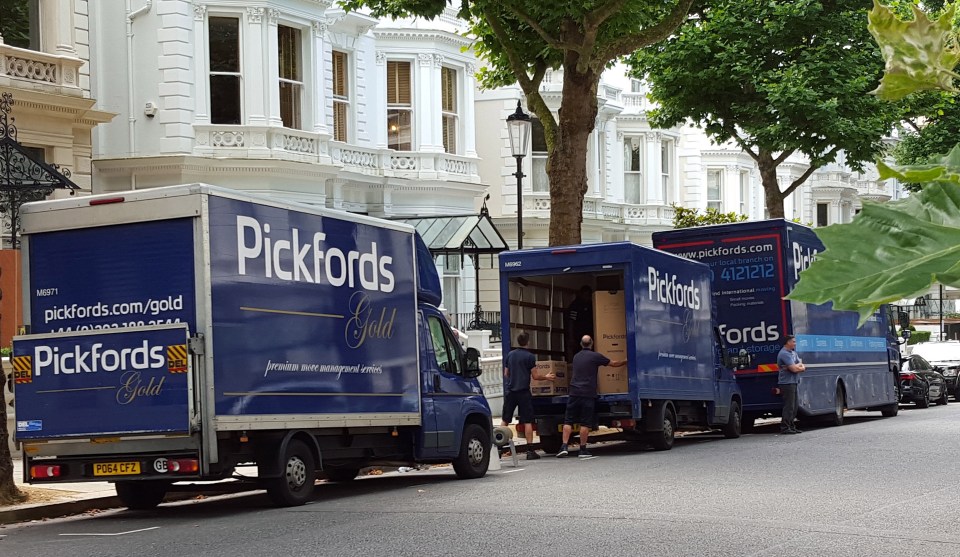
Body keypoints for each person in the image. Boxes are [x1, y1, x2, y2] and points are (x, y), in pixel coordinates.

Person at [556, 335, 626, 458]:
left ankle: (564, 446)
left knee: (568, 420)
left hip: (574, 392)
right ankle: (582, 450)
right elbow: (613, 364)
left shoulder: (576, 357)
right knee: (585, 422)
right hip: (587, 393)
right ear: (592, 344)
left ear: (581, 344)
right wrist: (626, 361)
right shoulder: (595, 356)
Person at [502, 331, 555, 460]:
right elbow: (535, 376)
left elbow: (506, 373)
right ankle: (530, 450)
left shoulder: (510, 355)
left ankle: (497, 447)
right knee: (527, 421)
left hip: (511, 391)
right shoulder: (529, 357)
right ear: (528, 342)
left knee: (505, 419)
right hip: (523, 392)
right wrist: (546, 377)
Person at [777, 334, 806, 435]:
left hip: (794, 382)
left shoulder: (793, 353)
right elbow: (794, 369)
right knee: (789, 406)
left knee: (794, 406)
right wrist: (796, 367)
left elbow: (802, 365)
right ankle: (785, 427)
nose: (795, 343)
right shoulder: (784, 354)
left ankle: (791, 426)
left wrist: (796, 366)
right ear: (788, 342)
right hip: (787, 383)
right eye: (793, 341)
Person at [565, 285, 594, 362]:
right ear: (581, 294)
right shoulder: (575, 306)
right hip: (577, 335)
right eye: (585, 295)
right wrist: (571, 337)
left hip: (589, 333)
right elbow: (571, 321)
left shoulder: (592, 305)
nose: (587, 297)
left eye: (588, 295)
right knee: (578, 354)